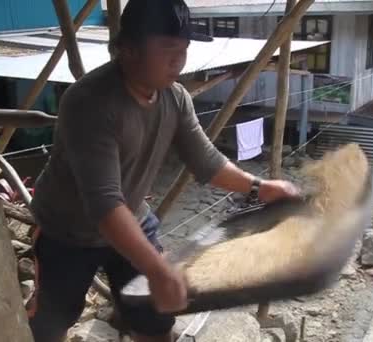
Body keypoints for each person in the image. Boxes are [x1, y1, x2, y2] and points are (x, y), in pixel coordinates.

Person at [28, 0, 300, 341]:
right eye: (168, 50)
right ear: (127, 49)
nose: (179, 60)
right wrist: (157, 270)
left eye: (183, 50)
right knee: (52, 322)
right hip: (66, 232)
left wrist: (260, 187)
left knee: (155, 320)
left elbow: (206, 160)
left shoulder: (174, 97)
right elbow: (104, 204)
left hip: (131, 218)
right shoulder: (90, 102)